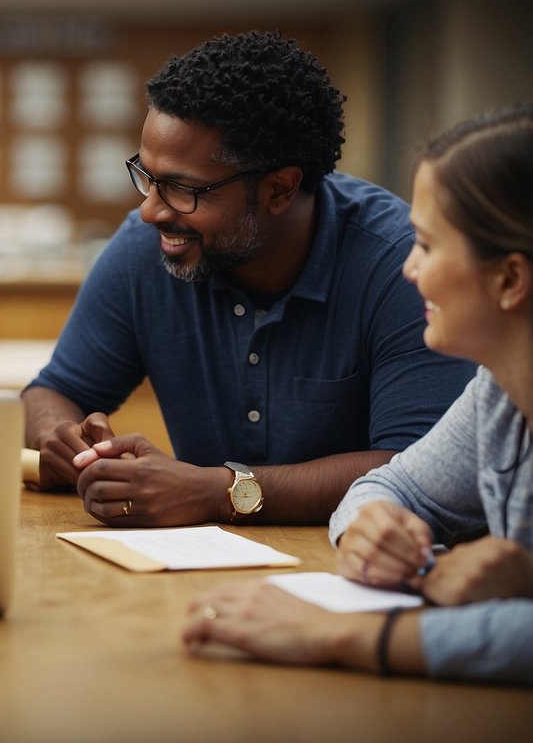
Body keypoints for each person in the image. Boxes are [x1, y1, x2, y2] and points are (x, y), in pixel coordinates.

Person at [23, 31, 475, 526]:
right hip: (193, 570)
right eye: (146, 176)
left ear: (279, 189)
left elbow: (419, 469)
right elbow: (54, 390)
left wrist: (221, 492)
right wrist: (58, 435)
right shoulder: (144, 249)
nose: (149, 210)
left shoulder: (399, 267)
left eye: (181, 189)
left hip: (352, 567)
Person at [183, 104, 533, 686]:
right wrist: (375, 527)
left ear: (510, 280)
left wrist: (339, 634)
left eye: (426, 244)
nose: (408, 270)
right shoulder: (498, 391)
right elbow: (390, 485)